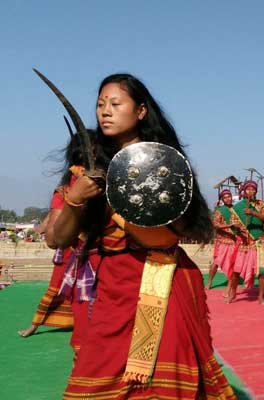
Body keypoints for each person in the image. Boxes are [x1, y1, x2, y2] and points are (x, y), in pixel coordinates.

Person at [53, 73, 235, 399]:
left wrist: (120, 200)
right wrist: (76, 198)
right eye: (99, 105)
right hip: (114, 286)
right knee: (97, 378)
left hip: (164, 281)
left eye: (115, 104)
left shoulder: (166, 165)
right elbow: (58, 239)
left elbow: (174, 233)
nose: (104, 111)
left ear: (139, 111)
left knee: (165, 385)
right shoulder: (87, 167)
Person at [17, 134, 83, 339]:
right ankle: (36, 324)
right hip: (71, 247)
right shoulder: (64, 191)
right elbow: (53, 237)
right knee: (57, 286)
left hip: (97, 248)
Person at [230, 180, 264, 304]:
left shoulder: (262, 205)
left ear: (256, 191)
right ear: (244, 191)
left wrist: (253, 213)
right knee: (236, 270)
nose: (250, 191)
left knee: (263, 271)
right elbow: (233, 224)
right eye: (248, 189)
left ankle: (261, 296)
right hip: (244, 242)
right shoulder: (237, 207)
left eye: (253, 189)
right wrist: (238, 227)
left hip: (258, 241)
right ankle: (233, 292)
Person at [209, 190, 246, 301]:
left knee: (232, 266)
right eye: (225, 197)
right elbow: (215, 224)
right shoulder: (220, 211)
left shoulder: (236, 210)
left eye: (229, 196)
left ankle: (228, 288)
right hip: (221, 241)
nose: (228, 199)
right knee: (215, 263)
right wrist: (230, 225)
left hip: (234, 241)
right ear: (222, 200)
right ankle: (210, 281)